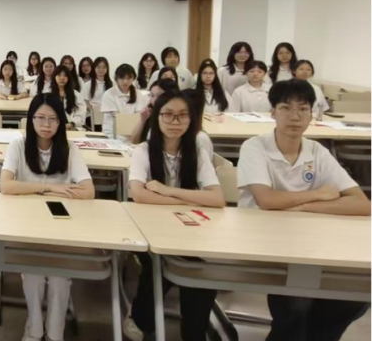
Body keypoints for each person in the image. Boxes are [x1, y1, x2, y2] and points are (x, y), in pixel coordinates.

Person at [237, 79, 371, 341]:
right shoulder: (255, 146)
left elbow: (361, 204)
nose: (295, 116)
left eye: (303, 109)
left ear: (312, 114)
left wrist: (305, 206)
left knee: (354, 299)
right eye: (286, 108)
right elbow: (267, 200)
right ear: (272, 112)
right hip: (262, 240)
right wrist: (318, 194)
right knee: (296, 302)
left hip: (310, 242)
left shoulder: (316, 151)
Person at [124, 88, 224, 341]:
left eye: (182, 115)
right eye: (168, 115)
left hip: (189, 229)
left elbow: (216, 198)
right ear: (157, 117)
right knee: (159, 263)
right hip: (147, 228)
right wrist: (189, 198)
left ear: (191, 119)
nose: (175, 122)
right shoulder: (143, 151)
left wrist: (166, 190)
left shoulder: (197, 152)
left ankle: (193, 333)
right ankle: (141, 318)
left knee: (199, 271)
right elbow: (139, 194)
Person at [0, 93, 94, 341]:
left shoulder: (69, 149)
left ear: (61, 122)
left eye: (53, 119)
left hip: (62, 226)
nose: (46, 124)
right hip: (27, 225)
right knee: (32, 274)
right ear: (30, 119)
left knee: (60, 277)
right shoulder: (18, 145)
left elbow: (88, 191)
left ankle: (55, 332)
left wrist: (31, 189)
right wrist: (50, 187)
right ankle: (34, 327)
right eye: (40, 117)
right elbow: (6, 185)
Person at [101, 64, 150, 139]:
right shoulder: (109, 94)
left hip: (132, 132)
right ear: (116, 78)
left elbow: (138, 116)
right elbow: (117, 117)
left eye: (129, 78)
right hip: (112, 133)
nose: (125, 81)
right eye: (122, 78)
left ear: (133, 78)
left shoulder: (138, 94)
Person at [80, 57, 112, 125]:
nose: (101, 70)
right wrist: (93, 110)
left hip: (108, 115)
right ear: (94, 68)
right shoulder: (88, 85)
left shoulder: (112, 84)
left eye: (104, 67)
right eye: (98, 67)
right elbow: (84, 102)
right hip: (92, 115)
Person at [53, 65, 86, 129]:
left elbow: (81, 114)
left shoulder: (75, 94)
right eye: (59, 75)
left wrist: (72, 123)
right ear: (54, 77)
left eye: (65, 76)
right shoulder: (48, 94)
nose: (62, 78)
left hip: (72, 127)